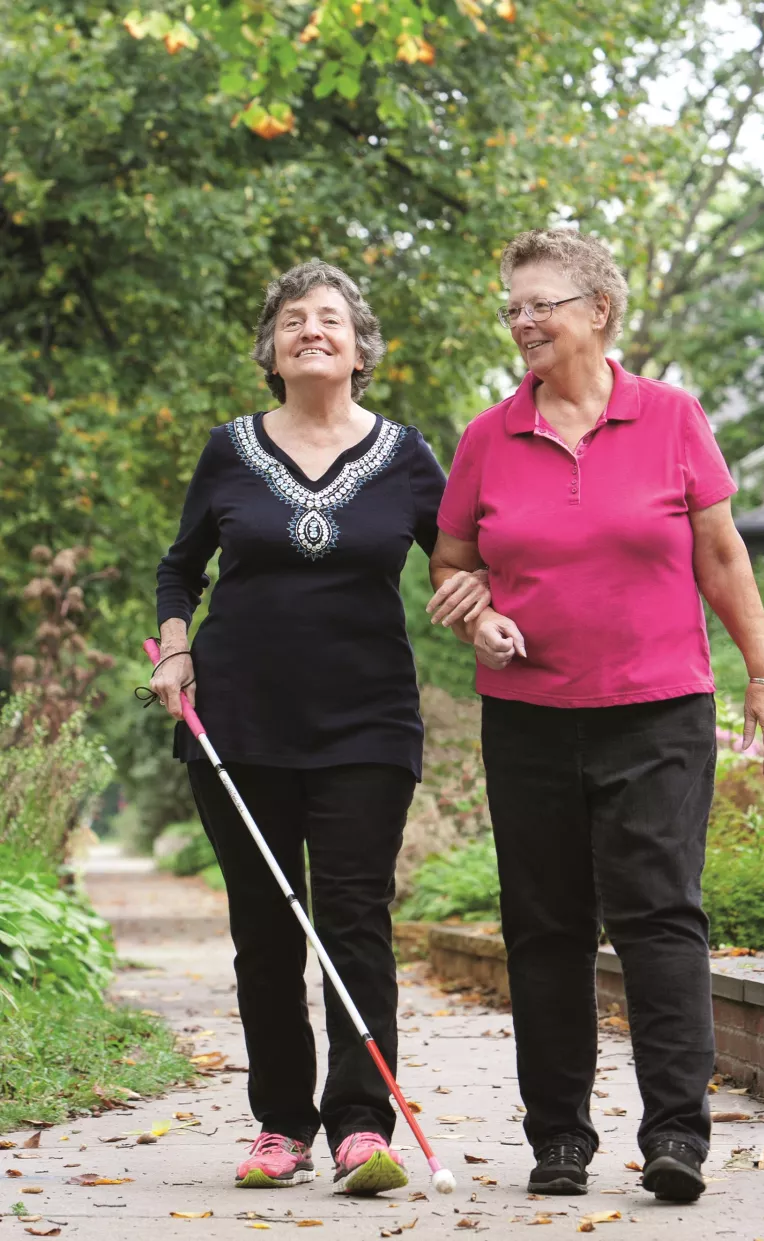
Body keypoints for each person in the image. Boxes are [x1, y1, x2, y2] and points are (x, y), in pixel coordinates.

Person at [427, 228, 764, 1204]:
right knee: (544, 925)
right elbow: (452, 564)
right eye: (512, 307)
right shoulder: (487, 436)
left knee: (659, 914)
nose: (523, 320)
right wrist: (480, 614)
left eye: (540, 301)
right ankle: (558, 1140)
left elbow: (721, 553)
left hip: (659, 710)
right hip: (530, 716)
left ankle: (675, 1133)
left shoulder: (671, 416)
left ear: (598, 310)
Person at [150, 260, 489, 1195]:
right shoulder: (228, 450)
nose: (312, 329)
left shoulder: (409, 455)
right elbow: (179, 569)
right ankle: (280, 1125)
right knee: (264, 928)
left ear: (360, 346)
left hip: (367, 725)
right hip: (237, 725)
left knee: (354, 920)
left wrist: (481, 601)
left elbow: (462, 561)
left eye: (331, 318)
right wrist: (174, 650)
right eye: (294, 318)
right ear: (271, 347)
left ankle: (359, 1126)